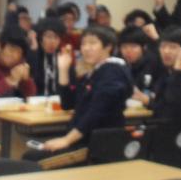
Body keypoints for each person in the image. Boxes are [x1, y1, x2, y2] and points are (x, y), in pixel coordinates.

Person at [24, 26, 131, 160]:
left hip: (97, 147)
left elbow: (96, 112)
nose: (86, 48)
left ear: (108, 47)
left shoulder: (113, 72)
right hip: (82, 139)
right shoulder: (93, 71)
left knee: (32, 158)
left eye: (92, 43)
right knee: (33, 155)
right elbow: (68, 104)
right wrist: (63, 69)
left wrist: (67, 140)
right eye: (83, 44)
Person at [134, 27, 181, 125]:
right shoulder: (167, 71)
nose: (166, 51)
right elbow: (162, 106)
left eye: (173, 47)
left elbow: (172, 107)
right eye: (163, 46)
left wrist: (180, 64)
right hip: (161, 126)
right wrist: (148, 101)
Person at [118, 26, 163, 98]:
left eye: (133, 46)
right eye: (124, 47)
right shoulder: (119, 64)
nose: (128, 51)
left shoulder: (154, 63)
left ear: (144, 47)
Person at [28, 17, 66, 95]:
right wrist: (34, 50)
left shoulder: (63, 58)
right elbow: (31, 77)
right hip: (37, 100)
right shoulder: (34, 55)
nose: (52, 41)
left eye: (56, 37)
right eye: (48, 37)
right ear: (41, 38)